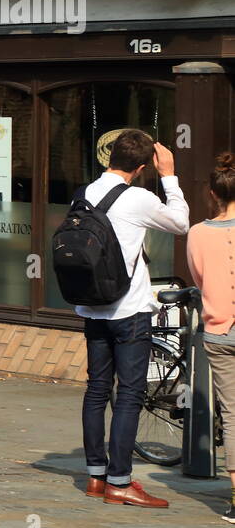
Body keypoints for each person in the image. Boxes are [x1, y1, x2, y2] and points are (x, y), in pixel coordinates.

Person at [76, 130, 189, 508]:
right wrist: (169, 176)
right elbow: (180, 224)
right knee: (129, 396)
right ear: (142, 167)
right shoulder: (139, 197)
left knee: (96, 390)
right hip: (129, 311)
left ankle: (95, 476)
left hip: (92, 308)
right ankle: (120, 482)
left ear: (111, 156)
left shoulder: (85, 192)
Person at [185, 152, 235, 524]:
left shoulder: (198, 233)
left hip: (219, 331)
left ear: (214, 195)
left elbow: (200, 281)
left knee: (233, 416)